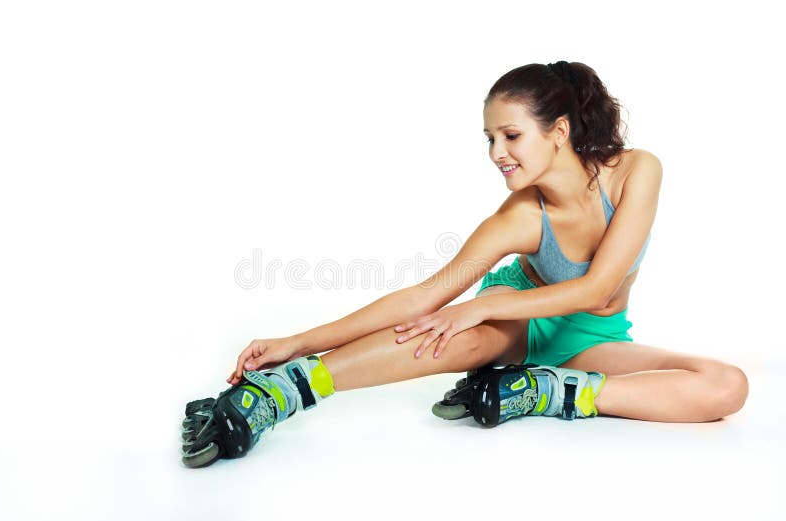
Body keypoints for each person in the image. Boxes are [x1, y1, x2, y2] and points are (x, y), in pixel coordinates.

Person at [181, 61, 748, 467]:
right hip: (516, 325)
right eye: (489, 138)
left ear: (560, 131)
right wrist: (298, 341)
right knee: (442, 331)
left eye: (511, 135)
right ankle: (288, 389)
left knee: (727, 387)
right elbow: (423, 298)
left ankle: (550, 392)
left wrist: (478, 307)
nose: (497, 153)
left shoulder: (636, 172)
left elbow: (599, 291)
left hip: (595, 336)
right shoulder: (519, 218)